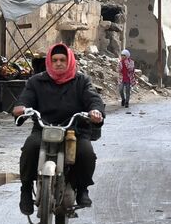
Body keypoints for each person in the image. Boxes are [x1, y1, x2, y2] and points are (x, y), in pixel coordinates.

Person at [11, 43, 105, 214]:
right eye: (54, 60)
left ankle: (82, 189)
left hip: (74, 130)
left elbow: (93, 99)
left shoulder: (81, 81)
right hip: (44, 128)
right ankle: (25, 190)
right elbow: (25, 99)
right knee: (30, 147)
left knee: (86, 153)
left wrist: (95, 111)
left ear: (69, 61)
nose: (59, 63)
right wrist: (21, 108)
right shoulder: (36, 81)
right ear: (49, 61)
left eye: (63, 59)